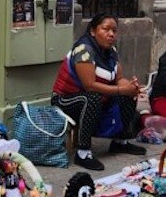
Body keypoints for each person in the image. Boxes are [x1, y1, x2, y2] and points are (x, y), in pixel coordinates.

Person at [51, 14, 146, 171]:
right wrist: (122, 89)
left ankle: (120, 142)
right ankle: (83, 153)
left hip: (94, 98)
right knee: (92, 98)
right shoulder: (84, 50)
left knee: (128, 96)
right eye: (106, 29)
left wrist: (131, 87)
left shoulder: (111, 51)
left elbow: (119, 79)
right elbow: (90, 86)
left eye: (114, 30)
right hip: (65, 100)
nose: (111, 34)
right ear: (93, 31)